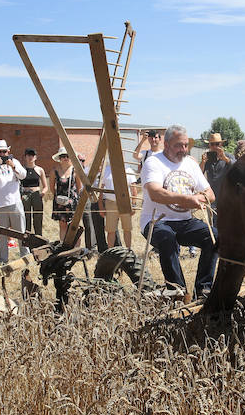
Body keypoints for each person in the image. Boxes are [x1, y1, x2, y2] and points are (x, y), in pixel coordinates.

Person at [140, 124, 218, 298]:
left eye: (185, 145)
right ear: (166, 144)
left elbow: (210, 193)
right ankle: (178, 290)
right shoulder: (153, 162)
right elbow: (155, 193)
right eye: (178, 145)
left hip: (185, 222)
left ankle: (204, 288)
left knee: (214, 237)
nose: (183, 149)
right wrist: (187, 199)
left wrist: (201, 198)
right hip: (156, 221)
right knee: (168, 238)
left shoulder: (190, 163)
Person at [0, 139, 28, 263]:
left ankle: (25, 258)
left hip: (15, 203)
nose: (2, 154)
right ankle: (3, 260)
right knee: (2, 235)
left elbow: (23, 175)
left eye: (4, 151)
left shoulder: (15, 162)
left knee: (21, 232)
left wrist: (13, 166)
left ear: (8, 151)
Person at [100, 161, 138, 249]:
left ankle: (128, 250)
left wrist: (134, 204)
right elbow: (101, 190)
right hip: (110, 203)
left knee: (127, 228)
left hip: (125, 202)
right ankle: (110, 252)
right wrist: (101, 206)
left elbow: (134, 189)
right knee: (111, 230)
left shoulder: (128, 169)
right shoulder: (106, 170)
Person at [199, 133, 235, 226]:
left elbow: (237, 168)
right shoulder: (207, 158)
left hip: (226, 198)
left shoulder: (228, 156)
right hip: (212, 198)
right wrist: (203, 162)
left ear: (221, 144)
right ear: (209, 145)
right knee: (214, 224)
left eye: (217, 144)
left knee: (227, 223)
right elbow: (199, 174)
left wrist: (225, 159)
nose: (214, 147)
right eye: (212, 144)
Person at [51, 148, 81, 243]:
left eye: (68, 156)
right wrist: (59, 198)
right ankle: (63, 247)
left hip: (73, 202)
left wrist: (73, 199)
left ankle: (76, 248)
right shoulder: (54, 171)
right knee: (62, 225)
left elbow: (79, 188)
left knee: (74, 225)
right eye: (63, 156)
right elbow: (52, 188)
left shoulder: (75, 171)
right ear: (59, 158)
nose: (66, 158)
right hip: (60, 202)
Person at [21, 148, 48, 236]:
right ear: (25, 157)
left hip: (36, 194)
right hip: (25, 195)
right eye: (28, 155)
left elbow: (45, 186)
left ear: (35, 157)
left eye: (32, 155)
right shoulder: (22, 170)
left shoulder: (40, 170)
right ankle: (27, 239)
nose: (30, 157)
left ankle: (39, 238)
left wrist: (43, 192)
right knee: (26, 217)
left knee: (38, 217)